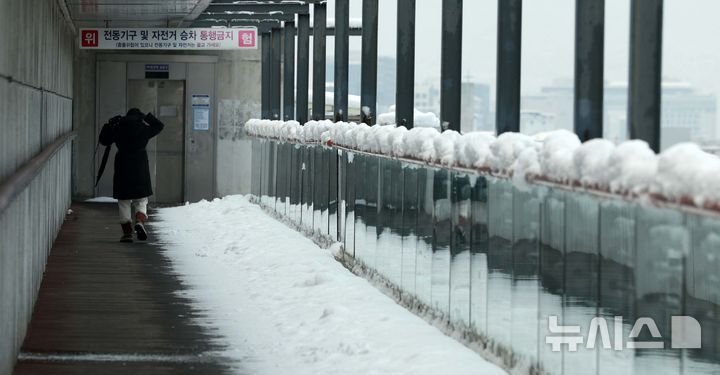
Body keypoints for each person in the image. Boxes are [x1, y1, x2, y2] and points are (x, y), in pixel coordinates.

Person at [99, 108, 164, 242]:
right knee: (141, 199)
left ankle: (127, 234)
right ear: (139, 117)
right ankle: (140, 221)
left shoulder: (118, 128)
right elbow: (159, 125)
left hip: (122, 165)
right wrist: (146, 117)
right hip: (140, 166)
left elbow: (104, 140)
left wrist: (109, 125)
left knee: (124, 201)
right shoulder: (143, 128)